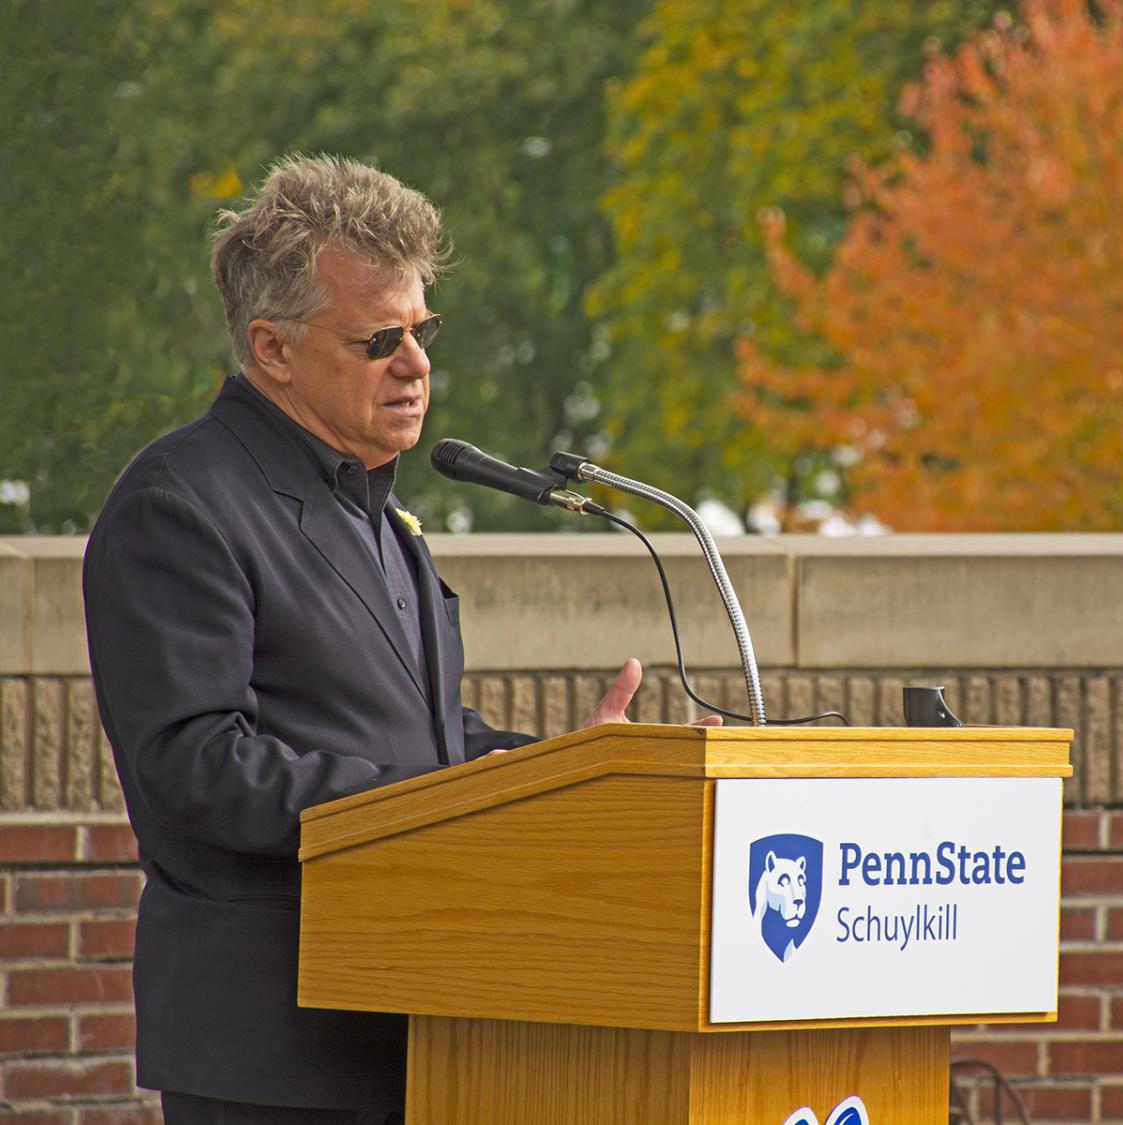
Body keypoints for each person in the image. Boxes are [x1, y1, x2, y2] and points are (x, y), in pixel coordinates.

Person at [82, 154, 704, 1124]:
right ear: (273, 348)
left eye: (423, 331)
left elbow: (423, 740)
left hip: (420, 1022)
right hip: (275, 1048)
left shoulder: (374, 508)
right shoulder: (183, 504)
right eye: (379, 339)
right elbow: (195, 765)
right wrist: (437, 808)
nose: (416, 364)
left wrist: (570, 777)